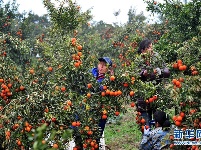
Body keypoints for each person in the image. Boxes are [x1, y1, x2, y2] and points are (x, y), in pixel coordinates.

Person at [136, 39, 170, 127]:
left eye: (151, 47)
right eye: (149, 48)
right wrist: (143, 73)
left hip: (156, 93)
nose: (151, 49)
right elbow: (135, 75)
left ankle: (157, 139)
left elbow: (166, 70)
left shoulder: (156, 56)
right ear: (143, 50)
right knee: (145, 123)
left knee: (158, 120)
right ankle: (147, 138)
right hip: (143, 96)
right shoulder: (138, 60)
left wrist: (161, 71)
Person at [91, 57, 114, 141]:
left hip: (101, 111)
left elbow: (99, 88)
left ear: (108, 69)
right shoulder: (92, 73)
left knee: (96, 137)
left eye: (104, 65)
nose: (101, 66)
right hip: (88, 109)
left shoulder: (108, 81)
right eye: (100, 64)